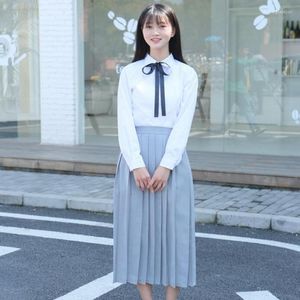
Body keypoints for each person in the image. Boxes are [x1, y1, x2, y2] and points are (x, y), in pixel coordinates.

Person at [113, 3, 198, 300]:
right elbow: (124, 122)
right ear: (142, 32)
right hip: (135, 157)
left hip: (171, 159)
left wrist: (166, 165)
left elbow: (183, 124)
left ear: (172, 29)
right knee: (136, 232)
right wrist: (136, 164)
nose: (155, 32)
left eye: (161, 25)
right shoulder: (129, 73)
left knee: (174, 233)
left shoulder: (187, 74)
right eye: (148, 26)